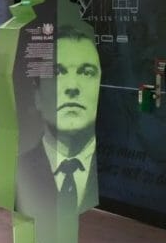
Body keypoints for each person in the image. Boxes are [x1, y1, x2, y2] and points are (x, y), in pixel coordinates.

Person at [15, 25, 101, 219]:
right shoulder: (18, 170)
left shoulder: (113, 173)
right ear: (37, 95)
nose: (72, 87)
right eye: (58, 72)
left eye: (86, 72)